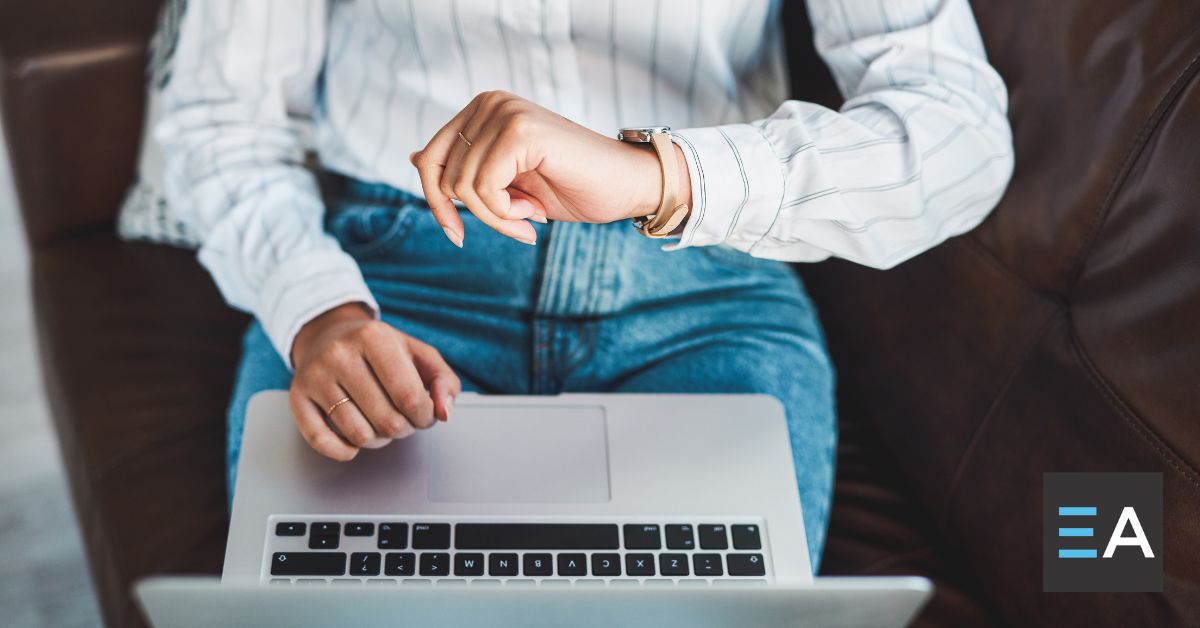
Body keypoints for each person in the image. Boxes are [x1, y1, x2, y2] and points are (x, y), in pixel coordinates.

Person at [156, 0, 1013, 571]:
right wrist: (317, 313)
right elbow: (220, 122)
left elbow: (956, 136)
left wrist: (657, 176)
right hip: (387, 291)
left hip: (703, 294)